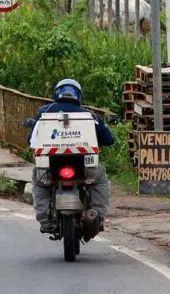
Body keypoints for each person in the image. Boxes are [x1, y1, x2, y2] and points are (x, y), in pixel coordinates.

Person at [27, 79, 115, 234]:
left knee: (38, 180)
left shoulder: (44, 113)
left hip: (49, 168)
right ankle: (97, 216)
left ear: (56, 94)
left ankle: (45, 219)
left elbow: (31, 140)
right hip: (86, 168)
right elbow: (108, 139)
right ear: (79, 95)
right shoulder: (90, 115)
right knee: (100, 180)